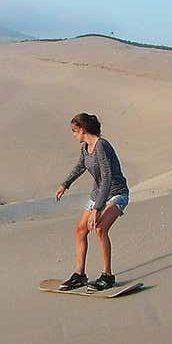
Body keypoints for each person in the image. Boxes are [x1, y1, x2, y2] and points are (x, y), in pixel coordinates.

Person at [55, 113, 129, 291]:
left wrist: (97, 209)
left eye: (74, 131)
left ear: (83, 129)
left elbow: (107, 178)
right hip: (98, 194)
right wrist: (65, 184)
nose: (73, 135)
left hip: (116, 193)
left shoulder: (102, 146)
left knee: (100, 228)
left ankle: (107, 276)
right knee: (80, 230)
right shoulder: (85, 148)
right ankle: (79, 275)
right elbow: (81, 166)